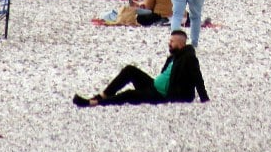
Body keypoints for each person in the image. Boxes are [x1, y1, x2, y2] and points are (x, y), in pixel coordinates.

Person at [73, 30, 208, 106]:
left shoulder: (188, 58)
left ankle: (95, 103)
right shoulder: (175, 55)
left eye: (172, 42)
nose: (169, 44)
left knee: (129, 94)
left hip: (163, 95)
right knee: (130, 70)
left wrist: (204, 99)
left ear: (181, 43)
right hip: (154, 87)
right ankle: (102, 95)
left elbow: (198, 77)